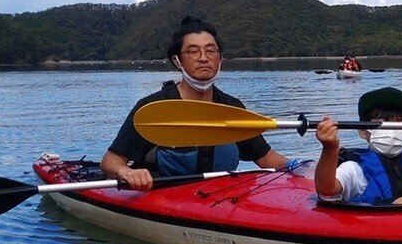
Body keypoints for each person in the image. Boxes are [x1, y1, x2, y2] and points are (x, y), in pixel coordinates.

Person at [101, 15, 295, 190]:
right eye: (193, 52)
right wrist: (126, 172)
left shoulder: (230, 107)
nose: (204, 58)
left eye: (211, 51)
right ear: (178, 61)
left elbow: (266, 158)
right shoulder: (153, 107)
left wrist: (302, 165)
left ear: (220, 58)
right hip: (161, 196)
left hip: (220, 197)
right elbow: (111, 161)